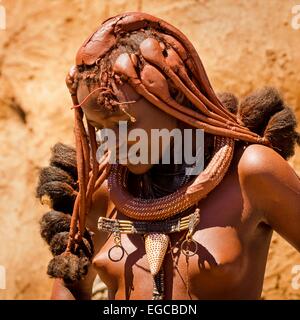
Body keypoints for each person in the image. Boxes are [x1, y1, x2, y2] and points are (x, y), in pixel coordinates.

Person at [36, 12, 300, 300]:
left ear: (174, 99)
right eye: (101, 128)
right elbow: (69, 286)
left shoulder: (249, 173)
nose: (114, 142)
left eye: (126, 124)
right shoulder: (99, 190)